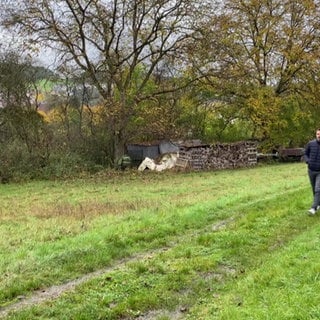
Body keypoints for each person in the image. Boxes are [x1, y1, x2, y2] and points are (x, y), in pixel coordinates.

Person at [304, 128, 320, 215]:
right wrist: (307, 161)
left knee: (318, 189)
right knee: (314, 189)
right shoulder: (310, 144)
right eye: (318, 134)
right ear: (316, 135)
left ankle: (313, 208)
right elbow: (305, 153)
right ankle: (318, 204)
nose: (319, 136)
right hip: (311, 170)